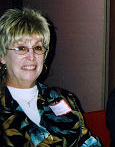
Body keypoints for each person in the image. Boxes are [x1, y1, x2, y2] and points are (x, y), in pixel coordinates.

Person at [0, 8, 101, 146]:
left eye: (38, 48)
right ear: (2, 56)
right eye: (21, 48)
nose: (31, 57)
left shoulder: (64, 99)